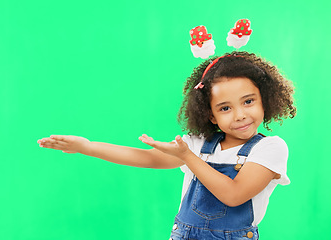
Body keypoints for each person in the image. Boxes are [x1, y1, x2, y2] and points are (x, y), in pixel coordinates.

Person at [37, 51, 296, 239]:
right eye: (225, 107)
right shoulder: (199, 144)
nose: (239, 114)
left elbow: (234, 194)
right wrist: (87, 146)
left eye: (248, 101)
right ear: (210, 115)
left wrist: (187, 157)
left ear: (266, 100)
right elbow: (145, 158)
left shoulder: (270, 148)